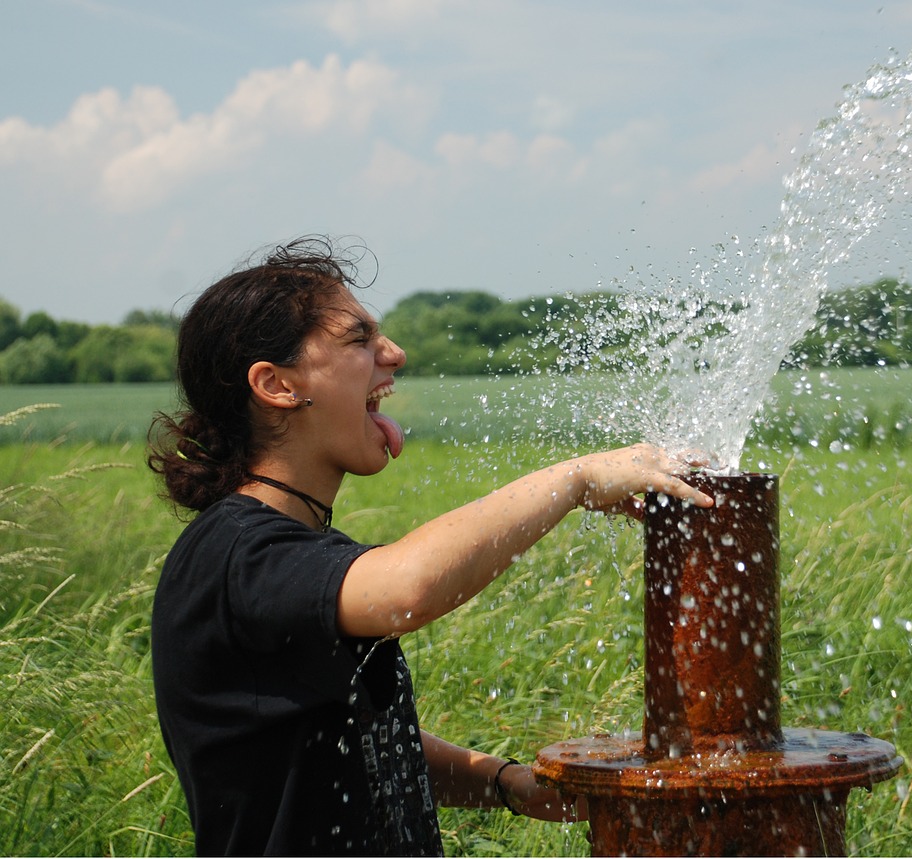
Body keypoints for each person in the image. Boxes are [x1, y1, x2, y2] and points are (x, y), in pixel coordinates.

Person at [147, 236, 712, 856]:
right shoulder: (234, 555)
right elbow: (406, 589)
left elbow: (361, 740)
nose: (395, 353)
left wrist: (507, 784)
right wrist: (575, 479)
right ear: (277, 385)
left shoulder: (289, 548)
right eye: (359, 340)